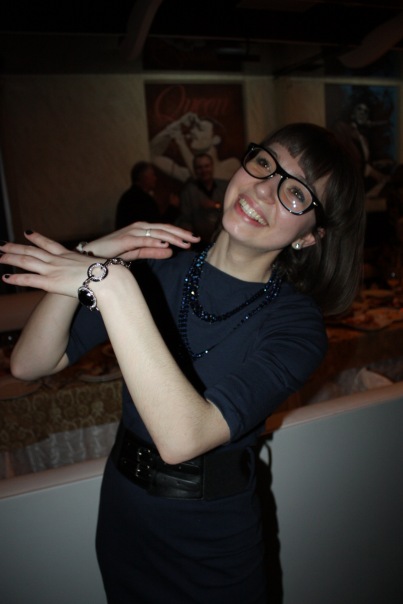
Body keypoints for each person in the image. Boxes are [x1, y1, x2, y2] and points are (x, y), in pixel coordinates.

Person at [0, 122, 365, 603]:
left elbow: (183, 438)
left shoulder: (296, 326)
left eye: (295, 192)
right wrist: (97, 252)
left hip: (209, 544)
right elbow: (30, 363)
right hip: (124, 521)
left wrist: (112, 284)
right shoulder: (157, 268)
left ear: (310, 237)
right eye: (264, 164)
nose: (264, 189)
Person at [150, 111, 241, 182]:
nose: (193, 132)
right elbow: (152, 154)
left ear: (215, 139)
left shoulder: (232, 164)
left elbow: (204, 178)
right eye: (194, 128)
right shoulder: (187, 174)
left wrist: (181, 142)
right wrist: (175, 126)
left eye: (200, 129)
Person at [176, 152, 228, 245]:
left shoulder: (224, 187)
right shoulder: (187, 192)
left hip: (223, 240)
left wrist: (215, 205)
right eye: (199, 167)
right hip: (199, 243)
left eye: (206, 166)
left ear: (212, 166)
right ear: (195, 170)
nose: (204, 170)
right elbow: (185, 220)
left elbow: (231, 209)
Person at [115, 161, 161, 229]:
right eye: (152, 175)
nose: (155, 178)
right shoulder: (143, 200)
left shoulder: (127, 197)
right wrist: (172, 208)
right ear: (144, 177)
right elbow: (156, 225)